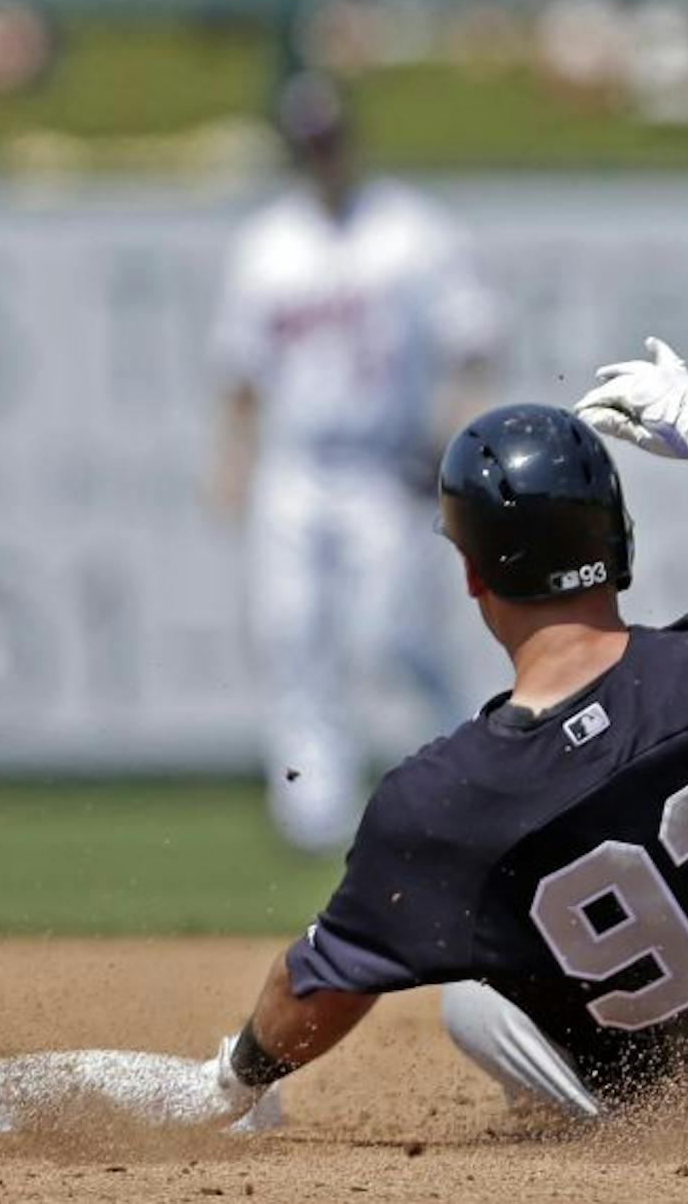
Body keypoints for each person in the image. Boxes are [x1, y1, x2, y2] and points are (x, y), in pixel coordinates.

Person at [0, 341, 688, 1134]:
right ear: (620, 538)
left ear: (470, 573)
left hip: (672, 1111)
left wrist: (233, 1079)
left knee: (471, 983)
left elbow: (319, 988)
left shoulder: (445, 799)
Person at [210, 72, 499, 851]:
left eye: (330, 140)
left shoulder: (411, 231)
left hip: (385, 464)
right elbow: (241, 369)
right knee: (293, 635)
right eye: (308, 144)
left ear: (351, 140)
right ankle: (315, 812)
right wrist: (233, 461)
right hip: (296, 464)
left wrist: (454, 438)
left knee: (393, 636)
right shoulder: (267, 242)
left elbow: (472, 344)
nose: (321, 155)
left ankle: (476, 778)